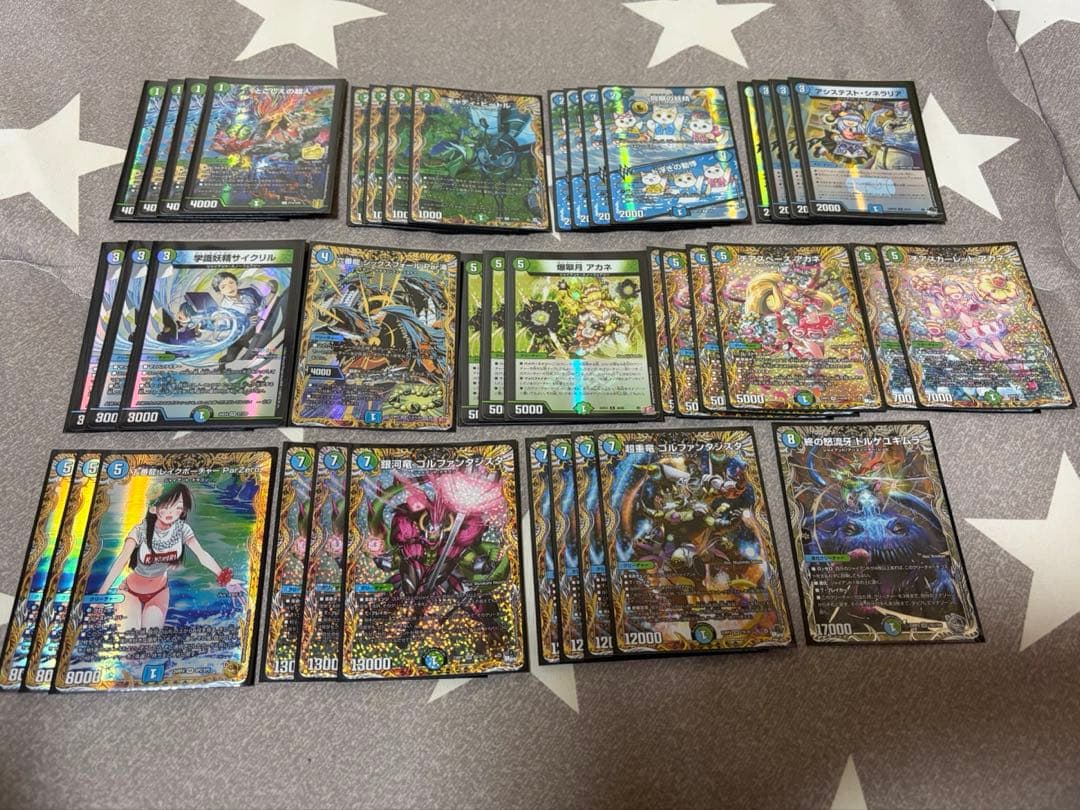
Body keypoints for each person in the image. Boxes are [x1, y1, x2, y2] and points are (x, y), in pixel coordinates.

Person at [96, 483, 244, 631]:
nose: (171, 512)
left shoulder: (182, 529)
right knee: (128, 637)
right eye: (166, 506)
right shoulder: (140, 531)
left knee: (148, 640)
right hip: (130, 591)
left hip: (159, 593)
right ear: (153, 508)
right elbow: (121, 561)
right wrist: (101, 596)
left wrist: (225, 579)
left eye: (177, 507)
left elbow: (202, 555)